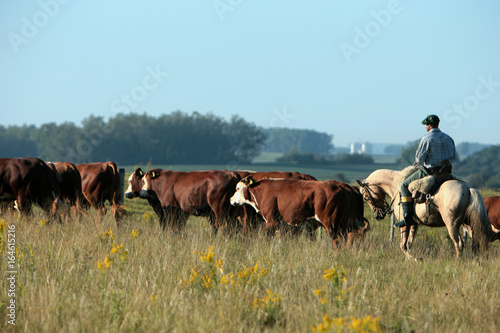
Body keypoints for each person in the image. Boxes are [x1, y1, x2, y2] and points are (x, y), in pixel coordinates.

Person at [395, 114, 457, 228]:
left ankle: (407, 218)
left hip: (430, 171)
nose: (425, 127)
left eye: (426, 125)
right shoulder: (448, 138)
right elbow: (453, 156)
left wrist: (417, 163)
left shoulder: (427, 138)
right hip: (446, 173)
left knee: (404, 186)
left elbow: (419, 159)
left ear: (429, 125)